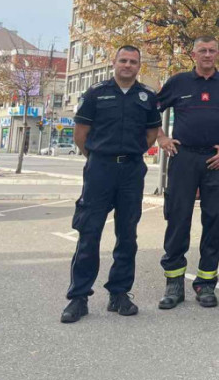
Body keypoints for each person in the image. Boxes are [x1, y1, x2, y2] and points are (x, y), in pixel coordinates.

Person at [61, 46, 161, 323]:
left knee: (127, 235)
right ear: (113, 63)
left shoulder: (147, 96)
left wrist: (131, 154)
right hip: (100, 169)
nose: (128, 65)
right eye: (123, 60)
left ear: (139, 66)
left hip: (131, 170)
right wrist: (98, 158)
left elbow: (151, 133)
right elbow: (81, 134)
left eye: (133, 61)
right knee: (89, 233)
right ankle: (78, 298)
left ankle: (119, 294)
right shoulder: (96, 93)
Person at [155, 36, 219, 310]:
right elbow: (151, 110)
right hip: (184, 157)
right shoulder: (178, 82)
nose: (207, 55)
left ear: (218, 54)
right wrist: (161, 138)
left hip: (216, 158)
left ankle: (206, 284)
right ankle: (174, 284)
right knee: (178, 219)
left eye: (212, 51)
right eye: (202, 50)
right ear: (193, 54)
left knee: (215, 221)